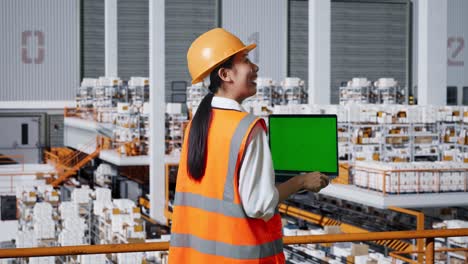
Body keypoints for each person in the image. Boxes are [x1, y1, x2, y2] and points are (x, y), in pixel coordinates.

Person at [168, 28, 330, 263]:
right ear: (225, 75)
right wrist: (301, 182)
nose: (255, 68)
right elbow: (259, 205)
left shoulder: (196, 124)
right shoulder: (247, 128)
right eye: (245, 61)